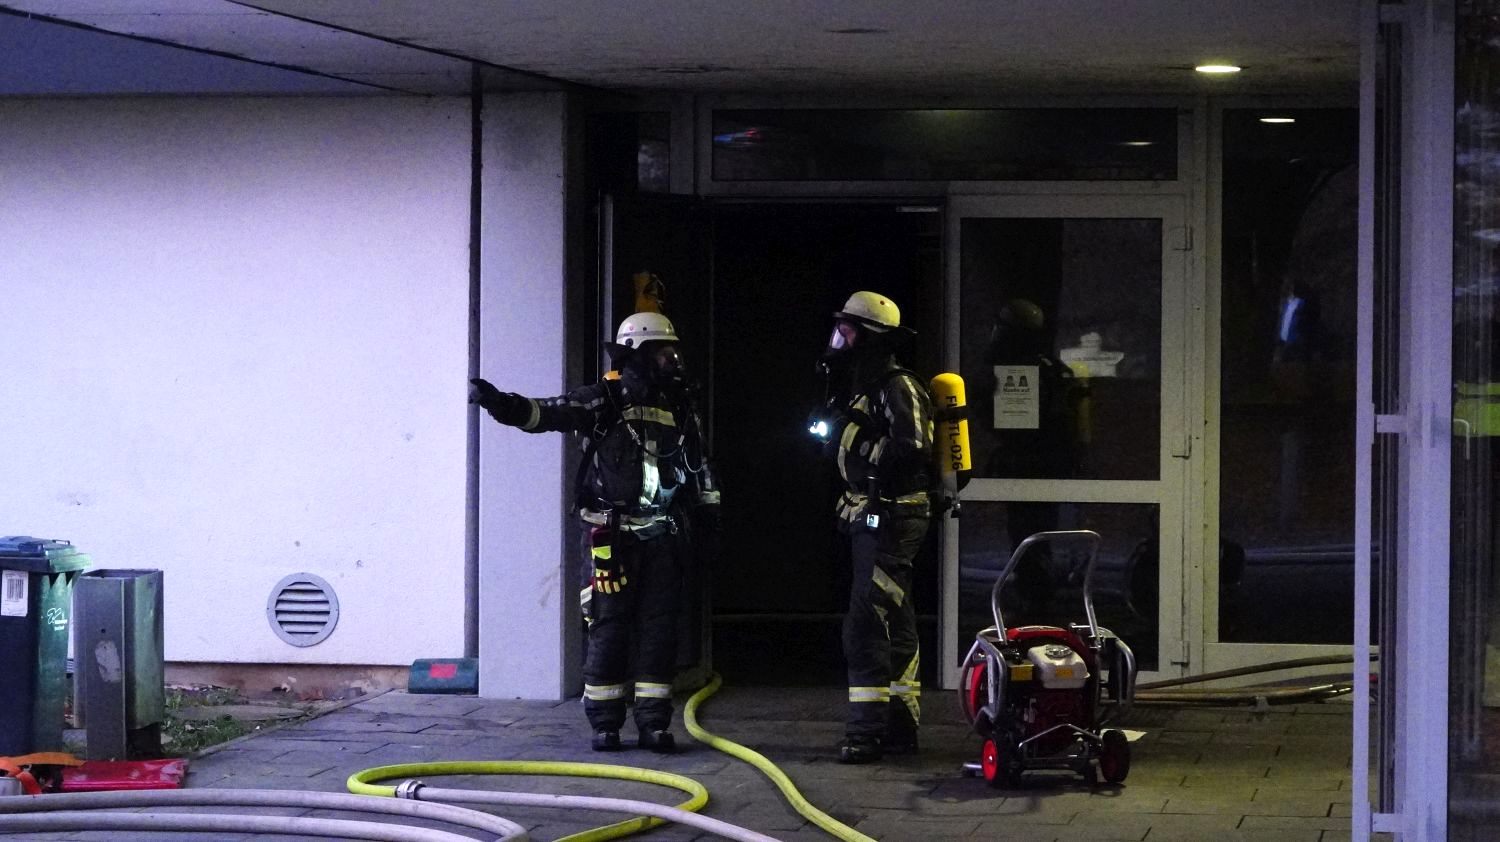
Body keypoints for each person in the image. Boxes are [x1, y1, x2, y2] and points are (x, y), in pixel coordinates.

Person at [470, 311, 718, 754]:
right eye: (663, 352)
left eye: (673, 352)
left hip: (662, 536)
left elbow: (700, 468)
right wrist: (502, 404)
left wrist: (708, 518)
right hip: (610, 539)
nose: (672, 361)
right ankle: (605, 724)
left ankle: (654, 724)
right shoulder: (602, 400)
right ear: (636, 355)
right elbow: (547, 413)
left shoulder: (679, 408)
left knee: (660, 632)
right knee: (609, 628)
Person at [810, 291, 934, 764]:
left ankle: (866, 731)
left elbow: (914, 448)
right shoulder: (864, 387)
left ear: (869, 337)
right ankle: (900, 726)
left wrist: (850, 435)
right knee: (893, 617)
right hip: (873, 514)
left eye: (846, 330)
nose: (838, 339)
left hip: (895, 515)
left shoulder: (898, 386)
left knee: (865, 621)